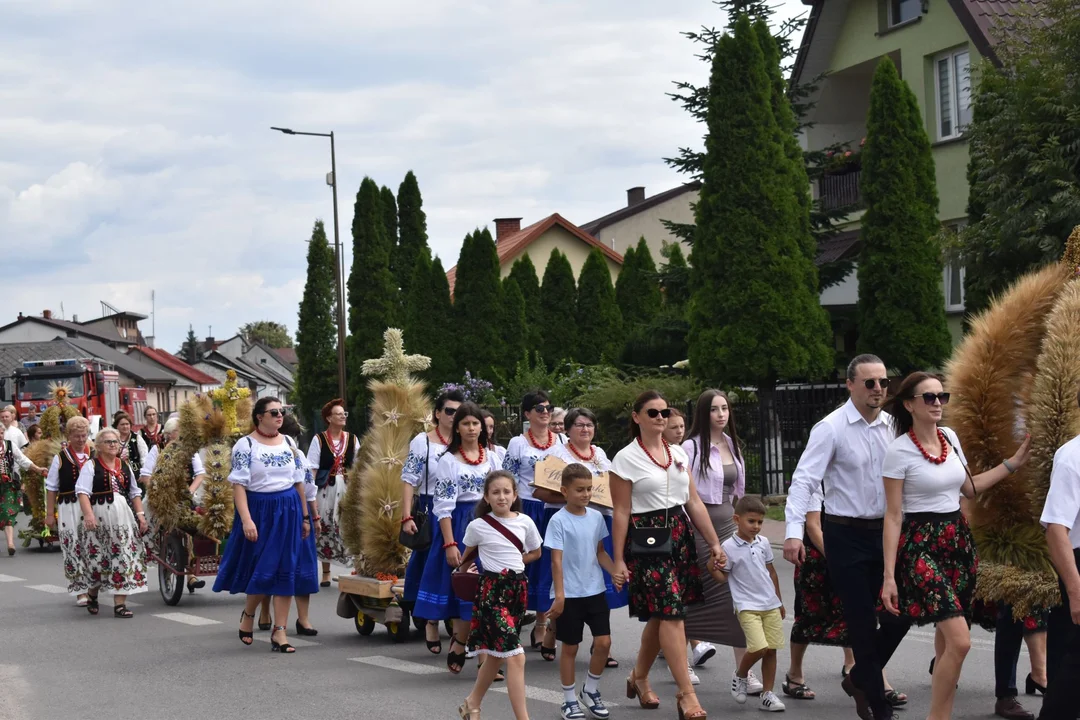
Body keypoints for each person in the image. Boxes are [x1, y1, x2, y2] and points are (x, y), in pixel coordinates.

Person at [881, 372, 1031, 720]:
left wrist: (1014, 464)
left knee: (950, 642)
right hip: (920, 545)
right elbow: (892, 515)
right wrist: (889, 576)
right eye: (929, 398)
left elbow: (969, 488)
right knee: (961, 640)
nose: (937, 403)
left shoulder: (949, 437)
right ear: (909, 404)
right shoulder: (898, 451)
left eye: (941, 396)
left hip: (957, 541)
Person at [784, 354, 909, 720]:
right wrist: (793, 534)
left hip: (886, 535)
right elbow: (804, 481)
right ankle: (876, 703)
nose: (878, 389)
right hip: (845, 535)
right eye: (870, 383)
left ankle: (859, 677)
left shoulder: (894, 427)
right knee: (860, 622)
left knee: (902, 613)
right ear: (850, 385)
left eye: (884, 382)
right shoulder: (831, 428)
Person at [609, 390, 726, 720]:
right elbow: (620, 511)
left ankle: (639, 676)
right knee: (672, 613)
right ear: (637, 417)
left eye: (664, 412)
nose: (660, 417)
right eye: (652, 412)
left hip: (679, 532)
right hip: (645, 538)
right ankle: (686, 695)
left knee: (663, 613)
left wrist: (714, 543)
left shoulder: (678, 454)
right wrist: (618, 559)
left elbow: (694, 502)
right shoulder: (625, 458)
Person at [213, 397, 318, 654]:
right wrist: (247, 520)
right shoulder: (246, 445)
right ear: (260, 416)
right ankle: (249, 613)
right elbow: (238, 486)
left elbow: (298, 482)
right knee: (265, 567)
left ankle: (279, 631)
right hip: (260, 510)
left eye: (281, 412)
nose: (279, 416)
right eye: (274, 412)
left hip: (289, 509)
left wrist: (305, 517)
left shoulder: (290, 443)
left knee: (286, 569)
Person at [784, 487, 904, 705]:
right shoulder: (815, 478)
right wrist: (837, 557)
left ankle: (870, 676)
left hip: (852, 553)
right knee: (809, 617)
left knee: (860, 615)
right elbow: (812, 525)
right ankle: (794, 675)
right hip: (819, 558)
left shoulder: (853, 477)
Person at [413, 402, 503, 674]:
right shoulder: (449, 461)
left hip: (492, 527)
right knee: (469, 592)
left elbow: (505, 495)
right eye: (466, 423)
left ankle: (477, 651)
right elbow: (443, 507)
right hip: (462, 527)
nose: (472, 428)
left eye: (476, 423)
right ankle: (463, 643)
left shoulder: (494, 457)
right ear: (457, 427)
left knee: (491, 595)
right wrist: (451, 544)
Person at [682, 390, 756, 689]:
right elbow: (683, 494)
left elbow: (739, 490)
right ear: (703, 413)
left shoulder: (731, 444)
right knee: (692, 595)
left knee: (738, 597)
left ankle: (744, 673)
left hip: (730, 523)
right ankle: (682, 661)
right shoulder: (689, 448)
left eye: (725, 408)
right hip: (699, 527)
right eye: (714, 409)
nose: (721, 414)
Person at [457, 470, 542, 720]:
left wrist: (516, 563)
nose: (502, 497)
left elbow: (535, 552)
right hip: (491, 592)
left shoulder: (525, 522)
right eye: (495, 492)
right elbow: (467, 557)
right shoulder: (478, 526)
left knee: (496, 654)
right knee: (516, 656)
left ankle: (472, 702)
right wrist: (466, 569)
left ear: (515, 495)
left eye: (507, 491)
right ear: (486, 497)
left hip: (517, 590)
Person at [550, 408, 624, 671]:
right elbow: (542, 491)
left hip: (598, 519)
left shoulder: (601, 454)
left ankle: (601, 644)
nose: (585, 429)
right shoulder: (558, 455)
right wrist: (580, 496)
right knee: (572, 577)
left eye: (590, 424)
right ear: (567, 429)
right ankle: (555, 630)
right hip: (569, 521)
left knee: (599, 582)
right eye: (579, 425)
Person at [546, 462, 620, 720]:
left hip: (595, 590)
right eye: (579, 490)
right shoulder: (558, 520)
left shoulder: (597, 517)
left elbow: (600, 552)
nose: (586, 494)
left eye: (589, 489)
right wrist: (560, 595)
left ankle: (590, 690)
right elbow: (556, 561)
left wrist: (615, 572)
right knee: (570, 646)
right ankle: (568, 700)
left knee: (604, 642)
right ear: (564, 491)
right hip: (570, 594)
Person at [402, 389, 463, 653]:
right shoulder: (422, 442)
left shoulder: (466, 441)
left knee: (461, 568)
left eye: (459, 412)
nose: (454, 416)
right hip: (430, 508)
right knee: (433, 568)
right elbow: (409, 480)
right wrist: (406, 516)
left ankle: (458, 622)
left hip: (460, 511)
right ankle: (430, 621)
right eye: (449, 411)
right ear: (437, 414)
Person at [714, 495, 787, 712]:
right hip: (747, 605)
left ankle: (767, 694)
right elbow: (722, 577)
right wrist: (712, 566)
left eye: (760, 522)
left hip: (770, 604)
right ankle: (740, 674)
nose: (756, 526)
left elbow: (771, 573)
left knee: (771, 650)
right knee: (759, 647)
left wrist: (779, 601)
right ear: (737, 519)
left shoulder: (763, 543)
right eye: (751, 521)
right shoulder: (728, 546)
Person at [504, 391, 563, 656]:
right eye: (538, 408)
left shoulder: (561, 440)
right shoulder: (518, 442)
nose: (544, 412)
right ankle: (511, 622)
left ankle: (541, 624)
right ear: (527, 414)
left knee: (547, 566)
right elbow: (508, 478)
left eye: (548, 408)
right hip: (526, 508)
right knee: (520, 564)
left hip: (552, 508)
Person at [1034, 390, 1080, 720]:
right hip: (1078, 566)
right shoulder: (1072, 457)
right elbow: (1055, 528)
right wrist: (1076, 591)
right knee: (1071, 672)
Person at [76, 427, 149, 617]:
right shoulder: (91, 466)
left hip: (122, 515)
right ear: (98, 446)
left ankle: (119, 604)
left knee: (123, 555)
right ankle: (93, 593)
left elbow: (135, 492)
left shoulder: (124, 466)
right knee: (97, 560)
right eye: (108, 442)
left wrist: (140, 515)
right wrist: (89, 515)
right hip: (98, 514)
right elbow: (82, 492)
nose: (113, 445)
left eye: (115, 441)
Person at [140, 416, 209, 594]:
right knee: (175, 530)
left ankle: (190, 575)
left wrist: (190, 491)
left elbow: (200, 474)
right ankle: (181, 567)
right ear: (170, 434)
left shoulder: (189, 451)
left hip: (184, 497)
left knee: (191, 527)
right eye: (180, 432)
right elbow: (145, 476)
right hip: (162, 498)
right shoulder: (157, 450)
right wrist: (159, 492)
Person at [305, 398, 359, 586]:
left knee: (348, 526)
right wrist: (309, 492)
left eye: (344, 413)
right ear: (329, 418)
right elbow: (312, 467)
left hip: (346, 488)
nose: (343, 416)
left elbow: (358, 465)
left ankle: (354, 567)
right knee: (326, 525)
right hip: (326, 489)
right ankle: (326, 572)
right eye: (338, 414)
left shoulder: (352, 439)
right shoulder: (318, 439)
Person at [44, 416, 93, 605]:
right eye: (77, 436)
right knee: (72, 546)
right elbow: (51, 487)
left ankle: (91, 586)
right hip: (68, 506)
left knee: (91, 545)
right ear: (69, 436)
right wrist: (50, 515)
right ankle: (79, 590)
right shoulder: (60, 458)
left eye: (84, 435)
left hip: (90, 506)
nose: (81, 439)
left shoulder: (94, 454)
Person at [1, 433, 44, 554]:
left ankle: (10, 543)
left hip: (8, 485)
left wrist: (37, 469)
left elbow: (22, 459)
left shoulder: (9, 445)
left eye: (1, 433)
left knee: (7, 511)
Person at [113, 411, 149, 481]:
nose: (125, 426)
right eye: (122, 424)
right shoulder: (113, 439)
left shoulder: (137, 438)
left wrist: (145, 473)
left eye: (127, 424)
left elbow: (144, 457)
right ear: (117, 426)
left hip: (136, 476)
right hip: (118, 475)